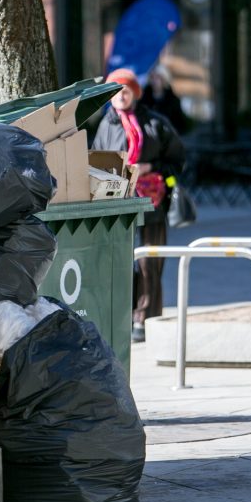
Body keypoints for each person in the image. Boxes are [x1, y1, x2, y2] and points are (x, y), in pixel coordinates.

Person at [93, 68, 186, 343]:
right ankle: (124, 312)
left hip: (152, 202)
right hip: (116, 205)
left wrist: (152, 169)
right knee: (120, 262)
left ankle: (144, 317)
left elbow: (177, 162)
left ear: (135, 93)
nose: (120, 96)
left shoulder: (155, 124)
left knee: (149, 262)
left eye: (125, 90)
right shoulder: (105, 125)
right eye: (114, 91)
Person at [138, 63, 188, 134]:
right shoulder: (143, 98)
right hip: (148, 135)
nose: (155, 81)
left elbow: (179, 123)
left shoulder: (173, 100)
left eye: (158, 77)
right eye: (152, 77)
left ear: (164, 79)